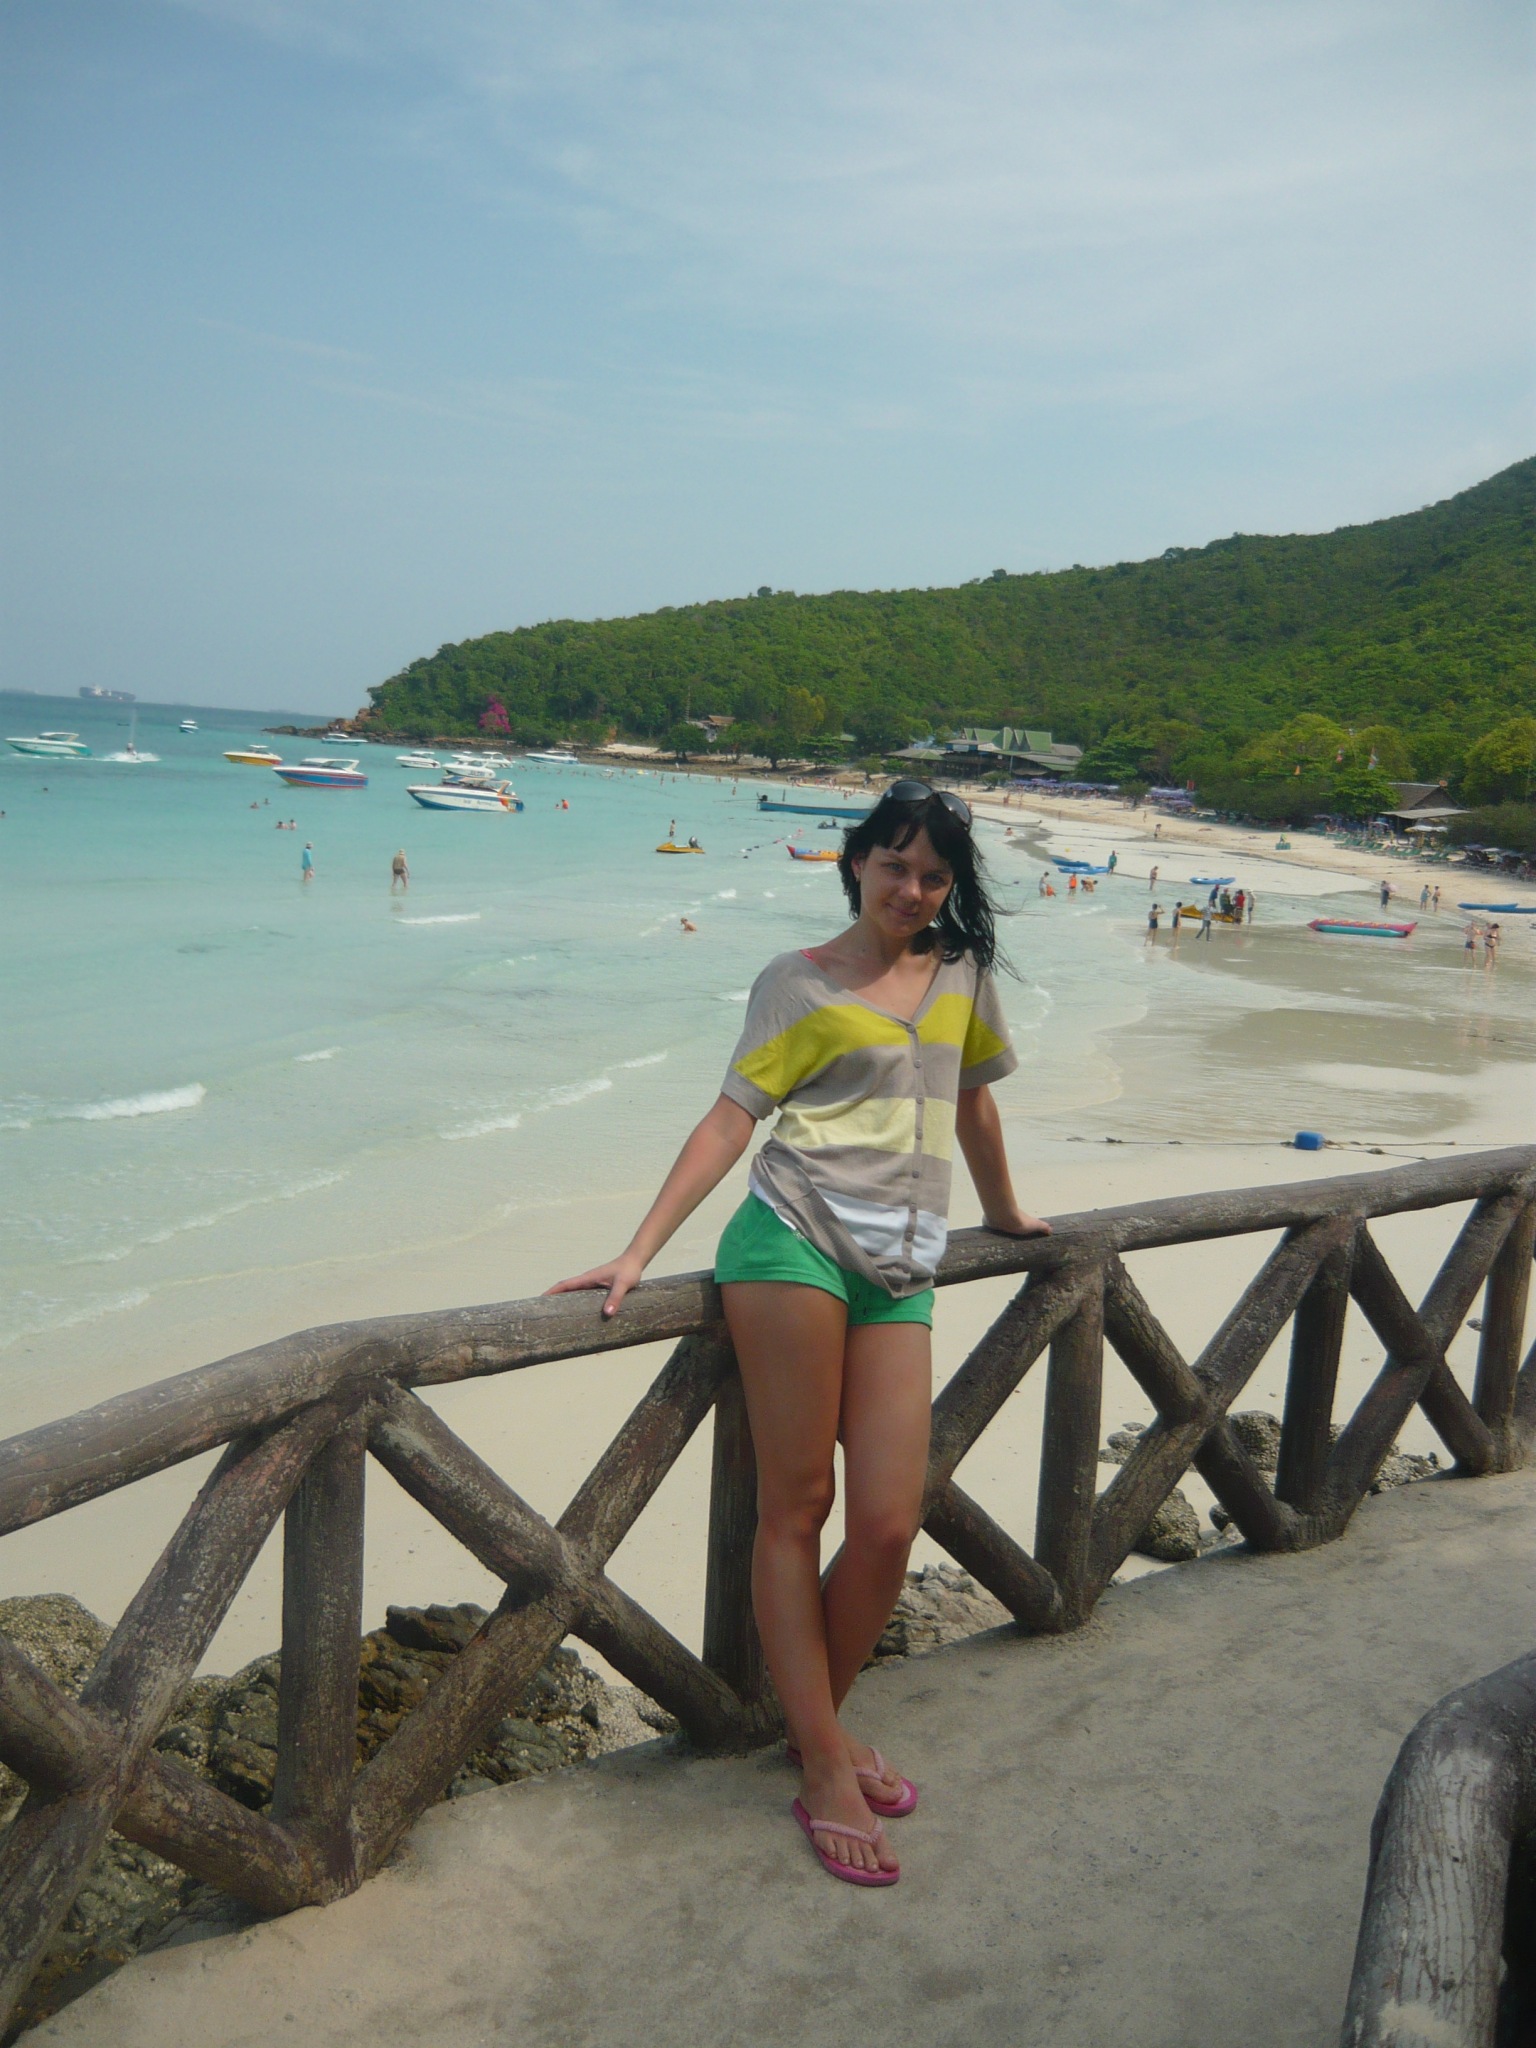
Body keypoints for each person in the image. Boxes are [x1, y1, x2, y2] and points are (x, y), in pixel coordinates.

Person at [548, 782, 1049, 1887]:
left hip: (904, 1265)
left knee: (888, 1520)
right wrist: (637, 1249)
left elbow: (972, 1102)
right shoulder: (797, 980)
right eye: (894, 866)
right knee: (798, 1506)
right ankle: (822, 1755)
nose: (911, 889)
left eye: (932, 875)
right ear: (855, 862)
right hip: (793, 1243)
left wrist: (1008, 1212)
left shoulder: (963, 974)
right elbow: (734, 1115)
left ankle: (814, 1719)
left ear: (949, 886)